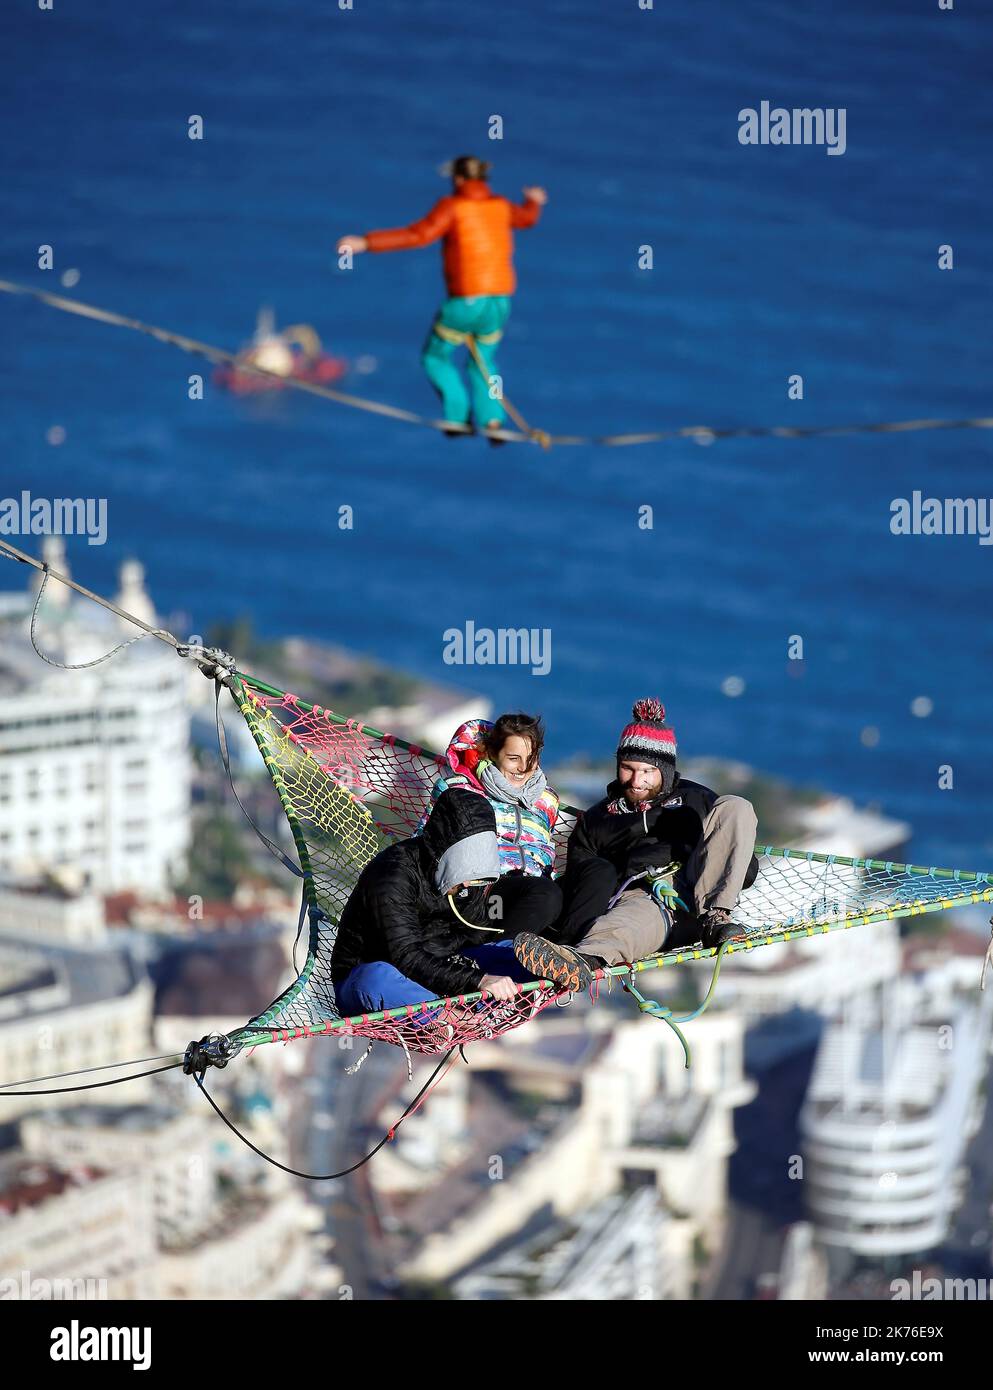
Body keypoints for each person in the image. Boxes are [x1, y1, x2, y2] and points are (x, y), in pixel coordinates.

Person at [513, 699, 759, 992]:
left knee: (736, 806)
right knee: (621, 929)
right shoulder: (597, 820)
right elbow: (588, 885)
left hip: (701, 888)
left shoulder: (697, 799)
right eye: (628, 768)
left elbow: (744, 867)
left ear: (665, 771)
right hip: (645, 900)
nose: (636, 781)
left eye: (648, 771)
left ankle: (716, 920)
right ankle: (578, 961)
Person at [336, 155, 546, 440]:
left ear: (458, 179)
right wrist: (534, 201)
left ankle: (458, 418)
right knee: (484, 362)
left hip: (466, 300)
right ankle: (493, 421)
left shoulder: (453, 207)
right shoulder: (501, 206)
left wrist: (365, 242)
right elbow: (527, 219)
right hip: (500, 301)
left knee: (435, 357)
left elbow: (418, 235)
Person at [330, 784, 549, 1021]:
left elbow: (474, 934)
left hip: (439, 969)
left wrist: (489, 966)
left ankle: (555, 970)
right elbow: (406, 956)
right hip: (382, 976)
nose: (467, 884)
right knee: (373, 980)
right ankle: (452, 1018)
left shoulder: (470, 879)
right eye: (463, 871)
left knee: (515, 951)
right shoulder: (392, 875)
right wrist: (479, 980)